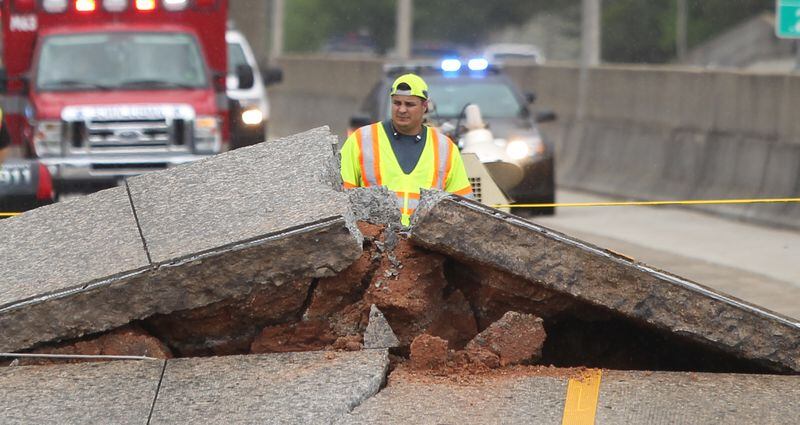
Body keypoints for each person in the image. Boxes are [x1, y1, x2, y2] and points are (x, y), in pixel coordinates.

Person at [340, 73, 473, 225]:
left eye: (409, 104)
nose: (402, 110)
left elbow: (464, 208)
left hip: (423, 244)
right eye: (397, 103)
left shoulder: (445, 148)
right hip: (374, 242)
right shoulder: (361, 139)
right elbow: (342, 196)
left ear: (425, 106)